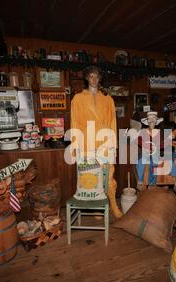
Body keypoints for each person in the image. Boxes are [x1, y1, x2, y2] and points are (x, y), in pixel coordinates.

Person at [70, 66, 123, 218]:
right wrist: (75, 145)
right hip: (86, 143)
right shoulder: (78, 98)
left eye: (96, 77)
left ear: (100, 79)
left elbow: (113, 123)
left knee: (109, 177)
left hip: (105, 142)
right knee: (90, 178)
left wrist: (114, 146)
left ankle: (113, 205)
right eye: (91, 76)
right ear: (86, 78)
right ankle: (96, 207)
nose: (94, 79)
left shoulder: (108, 99)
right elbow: (74, 123)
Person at [135, 111, 164, 190]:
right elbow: (137, 140)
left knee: (155, 164)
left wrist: (157, 147)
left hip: (155, 154)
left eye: (153, 120)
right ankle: (140, 181)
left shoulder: (159, 132)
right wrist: (147, 146)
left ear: (156, 122)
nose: (151, 122)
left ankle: (152, 183)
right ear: (147, 122)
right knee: (140, 161)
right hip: (145, 153)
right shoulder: (143, 131)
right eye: (150, 120)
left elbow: (162, 144)